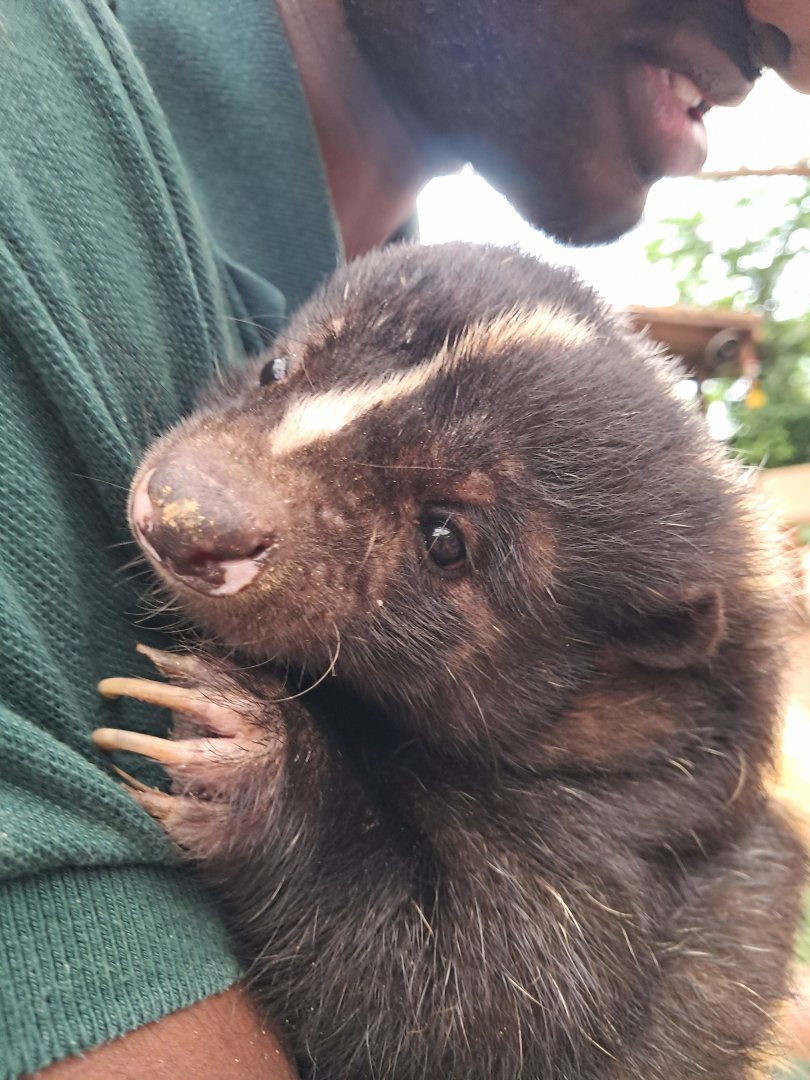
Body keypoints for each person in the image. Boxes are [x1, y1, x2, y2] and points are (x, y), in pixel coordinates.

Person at [0, 2, 805, 1078]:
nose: (197, 489)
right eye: (279, 370)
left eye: (441, 540)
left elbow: (516, 1015)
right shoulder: (44, 139)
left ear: (631, 660)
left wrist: (310, 828)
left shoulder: (619, 776)